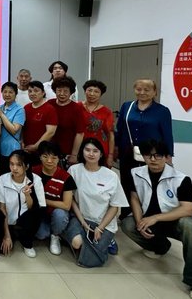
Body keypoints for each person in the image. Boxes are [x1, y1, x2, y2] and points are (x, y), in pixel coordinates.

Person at [121, 140, 192, 299]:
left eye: (158, 155)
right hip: (151, 221)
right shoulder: (136, 173)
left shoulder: (181, 179)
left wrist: (155, 217)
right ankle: (160, 247)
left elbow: (188, 209)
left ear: (167, 157)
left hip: (176, 222)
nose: (153, 159)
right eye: (148, 155)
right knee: (128, 224)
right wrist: (140, 221)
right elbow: (134, 198)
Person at [63, 138, 128, 268]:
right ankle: (85, 242)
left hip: (103, 223)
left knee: (90, 262)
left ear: (101, 154)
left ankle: (104, 241)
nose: (91, 154)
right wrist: (82, 222)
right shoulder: (74, 170)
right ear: (82, 151)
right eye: (87, 150)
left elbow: (115, 206)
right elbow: (72, 200)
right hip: (81, 219)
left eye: (95, 151)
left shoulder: (111, 176)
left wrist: (100, 228)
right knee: (76, 242)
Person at [116, 79, 174, 218]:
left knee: (149, 184)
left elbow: (167, 134)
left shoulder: (162, 111)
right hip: (128, 153)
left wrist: (168, 156)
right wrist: (116, 149)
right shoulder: (127, 106)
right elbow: (120, 129)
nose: (142, 92)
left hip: (152, 155)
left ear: (154, 92)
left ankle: (149, 215)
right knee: (127, 182)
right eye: (139, 89)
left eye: (147, 90)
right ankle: (126, 214)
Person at [0, 150, 46, 258]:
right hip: (7, 221)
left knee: (35, 214)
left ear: (27, 166)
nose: (14, 168)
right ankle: (11, 233)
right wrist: (7, 236)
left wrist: (28, 195)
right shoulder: (3, 179)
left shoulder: (35, 180)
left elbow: (36, 208)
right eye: (12, 164)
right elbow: (2, 208)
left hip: (25, 220)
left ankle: (27, 243)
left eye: (19, 165)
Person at [33, 141, 76, 256]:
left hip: (57, 212)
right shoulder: (33, 172)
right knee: (41, 234)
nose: (49, 161)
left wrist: (44, 201)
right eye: (45, 156)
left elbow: (66, 205)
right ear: (40, 157)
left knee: (60, 214)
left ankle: (56, 235)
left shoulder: (66, 177)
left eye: (54, 158)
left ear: (59, 158)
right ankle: (51, 230)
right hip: (40, 213)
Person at [48, 76, 85, 165]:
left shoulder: (76, 108)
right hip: (49, 150)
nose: (62, 94)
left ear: (71, 92)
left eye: (65, 91)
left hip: (67, 152)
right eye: (59, 90)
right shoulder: (50, 104)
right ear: (55, 90)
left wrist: (74, 155)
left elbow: (80, 133)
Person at [22, 80, 57, 166]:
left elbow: (50, 132)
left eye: (36, 91)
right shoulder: (26, 108)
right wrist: (22, 143)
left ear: (43, 93)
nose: (32, 93)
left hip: (43, 152)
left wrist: (36, 146)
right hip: (26, 150)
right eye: (30, 91)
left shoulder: (49, 109)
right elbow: (22, 128)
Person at [81, 80, 115, 167]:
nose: (92, 94)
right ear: (85, 91)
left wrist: (110, 155)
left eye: (96, 91)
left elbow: (110, 135)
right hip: (79, 148)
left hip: (100, 150)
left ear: (101, 94)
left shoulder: (107, 112)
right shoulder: (77, 107)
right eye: (89, 90)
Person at [0, 82, 25, 174]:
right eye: (5, 92)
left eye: (10, 92)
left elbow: (14, 130)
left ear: (16, 94)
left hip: (12, 149)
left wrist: (0, 114)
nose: (7, 94)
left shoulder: (19, 110)